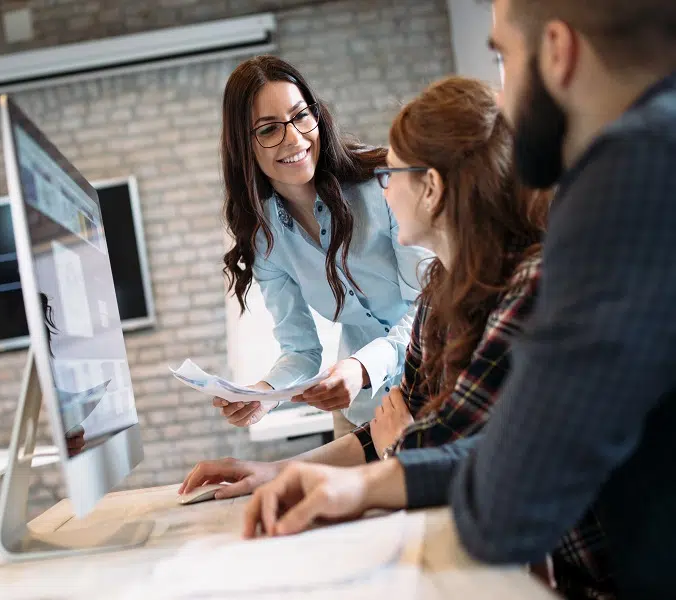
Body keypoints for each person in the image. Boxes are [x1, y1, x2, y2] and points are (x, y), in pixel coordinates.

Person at [242, 1, 676, 598]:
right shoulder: (437, 292)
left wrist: (398, 444)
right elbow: (473, 452)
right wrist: (313, 469)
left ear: (558, 50)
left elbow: (500, 491)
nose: (502, 97)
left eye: (501, 56)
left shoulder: (622, 186)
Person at [184, 76, 611, 596]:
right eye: (269, 129)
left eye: (392, 173)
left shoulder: (527, 290)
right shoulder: (439, 293)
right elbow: (404, 430)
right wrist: (273, 468)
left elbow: (439, 447)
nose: (383, 187)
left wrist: (393, 445)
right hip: (401, 438)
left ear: (430, 188)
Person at [218, 55, 433, 437]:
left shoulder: (384, 184)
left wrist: (363, 367)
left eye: (301, 115)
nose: (295, 139)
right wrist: (266, 393)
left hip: (438, 388)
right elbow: (301, 350)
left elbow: (429, 307)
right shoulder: (266, 239)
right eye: (268, 130)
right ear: (243, 146)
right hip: (362, 414)